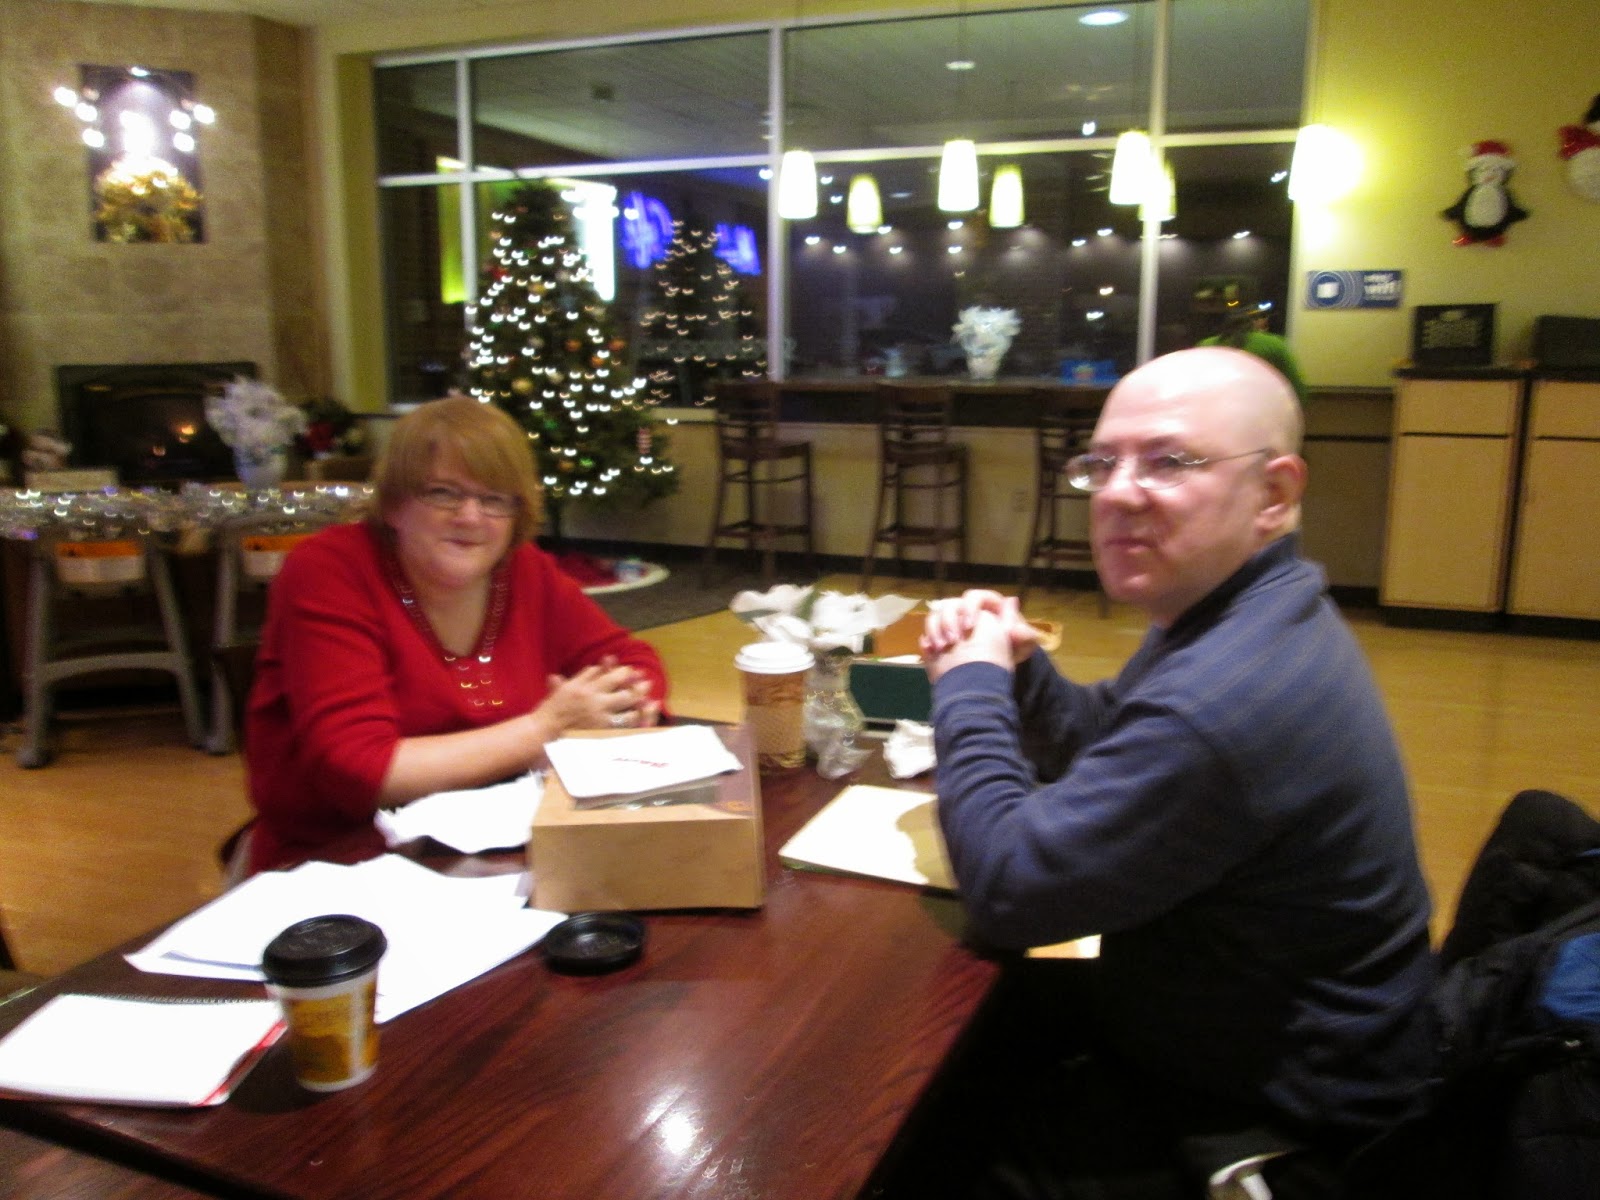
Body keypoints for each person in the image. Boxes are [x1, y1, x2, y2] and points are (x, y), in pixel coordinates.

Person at [899, 347, 1436, 1198]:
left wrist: (970, 684)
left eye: (1169, 461)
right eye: (1102, 463)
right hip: (1215, 1023)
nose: (1118, 493)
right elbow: (1108, 737)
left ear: (1274, 494)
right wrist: (1025, 674)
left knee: (905, 1135)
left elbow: (1008, 889)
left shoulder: (1225, 696)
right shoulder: (1247, 608)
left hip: (1274, 1117)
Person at [243, 395, 668, 873]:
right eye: (443, 493)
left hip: (498, 850)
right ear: (395, 504)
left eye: (494, 499)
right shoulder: (329, 570)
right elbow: (358, 769)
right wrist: (545, 729)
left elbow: (631, 661)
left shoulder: (522, 570)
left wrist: (617, 708)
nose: (471, 516)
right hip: (338, 863)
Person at [1199, 304, 1308, 404]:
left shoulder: (1206, 345)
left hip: (1218, 406)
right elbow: (1295, 384)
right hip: (1262, 406)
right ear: (1253, 322)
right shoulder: (1274, 343)